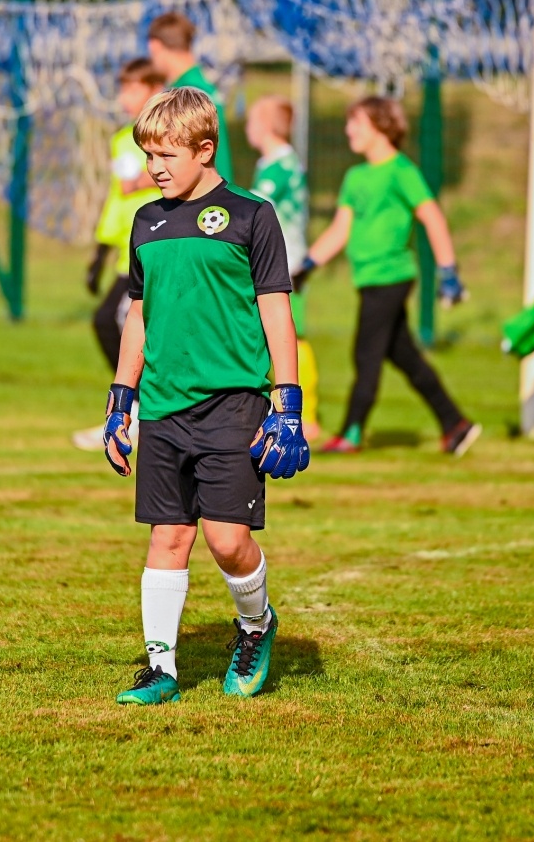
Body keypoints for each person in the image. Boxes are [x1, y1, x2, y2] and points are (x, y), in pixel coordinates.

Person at [101, 86, 308, 706]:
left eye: (165, 154)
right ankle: (161, 669)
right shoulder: (146, 221)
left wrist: (288, 404)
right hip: (163, 403)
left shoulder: (251, 215)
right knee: (168, 537)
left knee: (226, 539)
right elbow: (138, 315)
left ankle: (255, 625)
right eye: (148, 155)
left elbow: (276, 314)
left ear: (205, 149)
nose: (154, 168)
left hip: (233, 402)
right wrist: (120, 400)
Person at [296, 96, 480, 457]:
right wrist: (307, 265)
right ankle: (456, 424)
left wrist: (449, 272)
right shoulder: (355, 176)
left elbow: (433, 218)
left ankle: (351, 432)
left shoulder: (401, 171)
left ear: (381, 128)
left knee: (366, 354)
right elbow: (340, 229)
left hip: (392, 277)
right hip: (368, 279)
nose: (349, 129)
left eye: (357, 123)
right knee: (404, 357)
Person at [72, 59, 164, 451]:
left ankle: (144, 411)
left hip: (158, 251)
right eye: (123, 89)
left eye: (133, 89)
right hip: (129, 258)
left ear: (154, 88)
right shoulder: (122, 141)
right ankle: (136, 409)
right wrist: (101, 251)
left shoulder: (169, 138)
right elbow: (118, 201)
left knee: (122, 325)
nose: (125, 98)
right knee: (111, 323)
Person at [246, 95, 322, 441]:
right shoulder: (272, 163)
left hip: (286, 262)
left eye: (251, 121)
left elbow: (253, 206)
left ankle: (306, 416)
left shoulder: (280, 166)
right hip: (280, 260)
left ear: (263, 127)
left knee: (293, 336)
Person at [146, 11, 234, 184]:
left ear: (155, 46)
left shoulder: (184, 95)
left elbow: (179, 156)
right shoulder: (203, 87)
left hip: (200, 196)